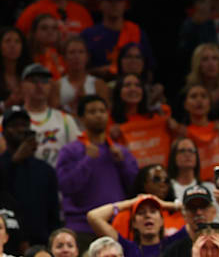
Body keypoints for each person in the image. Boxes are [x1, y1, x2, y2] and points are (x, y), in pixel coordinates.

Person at [57, 95, 138, 246]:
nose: (99, 115)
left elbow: (136, 185)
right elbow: (66, 186)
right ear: (81, 118)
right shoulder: (70, 151)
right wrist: (87, 161)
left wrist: (122, 163)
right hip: (81, 227)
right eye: (92, 112)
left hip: (116, 226)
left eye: (102, 111)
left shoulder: (120, 152)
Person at [0, 105, 61, 247]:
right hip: (7, 244)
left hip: (41, 244)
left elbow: (53, 212)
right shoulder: (2, 165)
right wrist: (14, 161)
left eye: (24, 125)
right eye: (14, 126)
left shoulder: (45, 170)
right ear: (4, 132)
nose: (20, 129)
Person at [81, 0, 154, 75]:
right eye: (109, 0)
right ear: (99, 4)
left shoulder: (137, 32)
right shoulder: (88, 35)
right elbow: (78, 72)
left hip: (131, 86)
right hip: (98, 86)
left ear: (125, 4)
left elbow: (149, 70)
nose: (114, 4)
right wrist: (98, 72)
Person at [21, 63, 80, 167]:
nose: (39, 85)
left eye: (44, 81)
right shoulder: (8, 121)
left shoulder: (65, 120)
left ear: (50, 86)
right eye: (33, 81)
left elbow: (78, 154)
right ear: (22, 85)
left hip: (58, 179)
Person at [49, 37, 109, 115]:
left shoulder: (99, 84)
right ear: (64, 57)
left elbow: (106, 111)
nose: (76, 56)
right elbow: (53, 112)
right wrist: (71, 105)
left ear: (87, 57)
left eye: (81, 52)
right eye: (72, 52)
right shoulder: (56, 85)